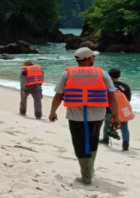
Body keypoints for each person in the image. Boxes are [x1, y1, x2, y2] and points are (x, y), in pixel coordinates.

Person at [48, 47, 118, 185]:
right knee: (92, 142)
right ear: (90, 59)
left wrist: (53, 112)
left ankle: (86, 177)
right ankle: (89, 171)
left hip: (76, 117)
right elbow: (112, 97)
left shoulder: (67, 74)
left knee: (80, 144)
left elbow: (58, 96)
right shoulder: (102, 74)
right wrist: (116, 116)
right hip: (98, 116)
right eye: (94, 57)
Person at [100, 68, 132, 151]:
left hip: (109, 110)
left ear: (108, 76)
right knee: (124, 127)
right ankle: (125, 146)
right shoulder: (125, 86)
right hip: (122, 110)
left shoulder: (106, 85)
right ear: (119, 76)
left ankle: (105, 140)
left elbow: (103, 98)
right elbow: (128, 99)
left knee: (107, 125)